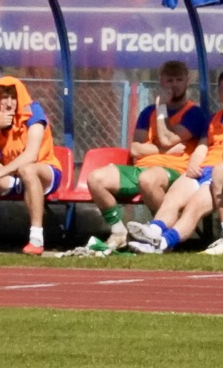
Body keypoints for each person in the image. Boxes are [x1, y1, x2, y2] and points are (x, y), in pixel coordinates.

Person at [84, 60, 207, 254]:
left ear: (187, 81)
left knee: (148, 179)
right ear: (161, 81)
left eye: (178, 80)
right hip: (141, 167)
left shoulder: (194, 113)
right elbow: (135, 149)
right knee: (95, 178)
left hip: (173, 170)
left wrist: (162, 108)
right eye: (169, 80)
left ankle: (161, 235)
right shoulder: (148, 112)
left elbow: (167, 138)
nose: (174, 85)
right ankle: (118, 232)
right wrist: (164, 151)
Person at [130, 68, 223, 255]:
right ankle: (153, 232)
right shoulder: (214, 119)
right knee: (172, 199)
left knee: (193, 207)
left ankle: (162, 243)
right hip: (203, 169)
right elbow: (202, 146)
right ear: (218, 92)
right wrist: (194, 163)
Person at [0, 77, 61, 256]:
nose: (8, 103)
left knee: (27, 169)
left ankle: (36, 238)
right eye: (4, 98)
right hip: (12, 175)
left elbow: (31, 156)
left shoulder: (34, 112)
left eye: (13, 97)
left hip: (43, 171)